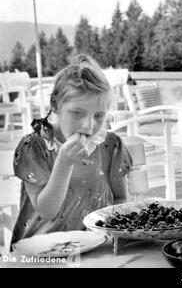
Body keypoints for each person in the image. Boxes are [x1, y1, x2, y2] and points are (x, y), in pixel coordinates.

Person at [10, 54, 132, 246]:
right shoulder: (34, 148)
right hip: (41, 251)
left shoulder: (111, 146)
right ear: (55, 105)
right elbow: (46, 211)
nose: (88, 125)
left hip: (95, 248)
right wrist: (64, 162)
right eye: (77, 113)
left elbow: (120, 198)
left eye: (99, 115)